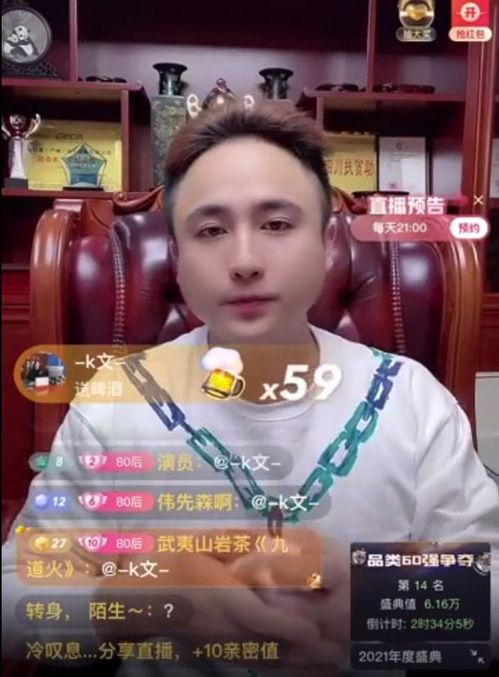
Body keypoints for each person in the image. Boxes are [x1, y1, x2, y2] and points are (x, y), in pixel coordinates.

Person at [2, 104, 499, 677]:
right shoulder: (114, 401)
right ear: (177, 258)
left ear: (328, 243)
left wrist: (375, 596)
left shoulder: (411, 398)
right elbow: (16, 592)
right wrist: (140, 595)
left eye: (277, 224)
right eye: (211, 230)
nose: (244, 262)